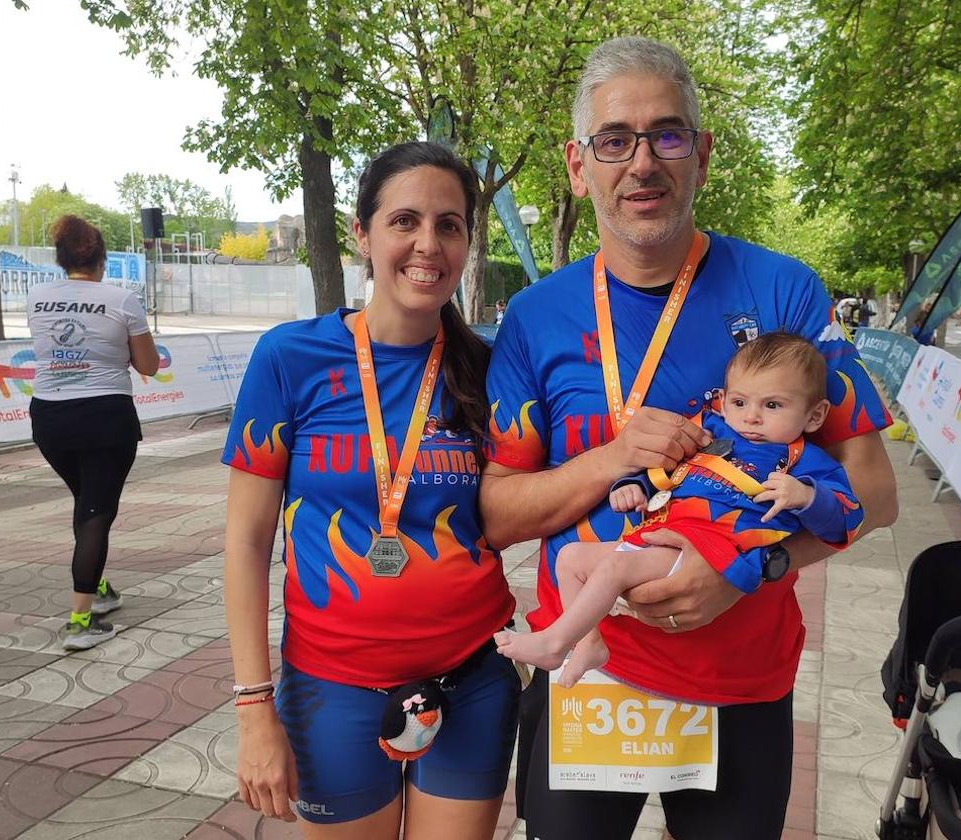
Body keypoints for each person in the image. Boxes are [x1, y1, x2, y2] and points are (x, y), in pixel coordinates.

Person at [481, 37, 898, 840]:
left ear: (702, 154)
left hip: (739, 679)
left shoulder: (782, 290)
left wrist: (752, 569)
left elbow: (873, 495)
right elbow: (498, 515)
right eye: (615, 140)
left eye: (667, 135)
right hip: (591, 671)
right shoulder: (535, 318)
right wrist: (611, 458)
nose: (643, 162)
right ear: (578, 166)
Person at [222, 142, 518, 839]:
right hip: (333, 688)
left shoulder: (488, 368)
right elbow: (244, 539)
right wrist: (252, 706)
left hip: (471, 677)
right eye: (404, 220)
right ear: (363, 233)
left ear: (468, 242)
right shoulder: (289, 358)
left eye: (450, 225)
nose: (428, 244)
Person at [494, 333, 863, 688]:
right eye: (739, 402)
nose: (751, 417)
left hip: (712, 553)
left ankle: (555, 642)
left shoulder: (807, 463)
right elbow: (666, 469)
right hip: (662, 535)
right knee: (572, 558)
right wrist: (634, 487)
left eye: (772, 405)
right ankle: (589, 644)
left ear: (814, 416)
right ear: (723, 400)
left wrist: (807, 497)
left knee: (617, 567)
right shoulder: (712, 433)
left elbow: (847, 519)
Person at [26, 215, 159, 651]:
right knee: (96, 513)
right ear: (102, 258)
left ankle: (98, 590)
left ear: (61, 259)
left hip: (49, 417)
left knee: (87, 504)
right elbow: (148, 365)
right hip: (105, 417)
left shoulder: (37, 297)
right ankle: (80, 621)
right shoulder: (122, 298)